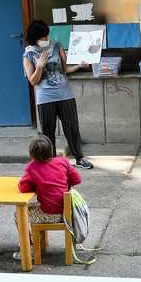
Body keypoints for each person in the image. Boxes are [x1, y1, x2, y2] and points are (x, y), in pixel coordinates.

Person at [22, 20, 94, 170]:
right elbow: (33, 81)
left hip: (65, 94)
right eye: (43, 38)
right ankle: (51, 162)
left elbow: (65, 68)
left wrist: (80, 65)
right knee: (48, 131)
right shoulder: (28, 54)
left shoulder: (56, 45)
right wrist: (40, 65)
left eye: (47, 36)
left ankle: (79, 158)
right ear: (35, 38)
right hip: (45, 98)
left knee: (72, 127)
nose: (46, 40)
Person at [13, 136, 82, 260]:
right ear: (51, 150)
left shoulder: (32, 167)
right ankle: (40, 243)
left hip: (49, 214)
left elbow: (23, 188)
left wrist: (37, 185)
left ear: (31, 154)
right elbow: (77, 179)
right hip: (67, 212)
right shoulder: (63, 162)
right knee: (34, 207)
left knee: (19, 213)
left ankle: (29, 247)